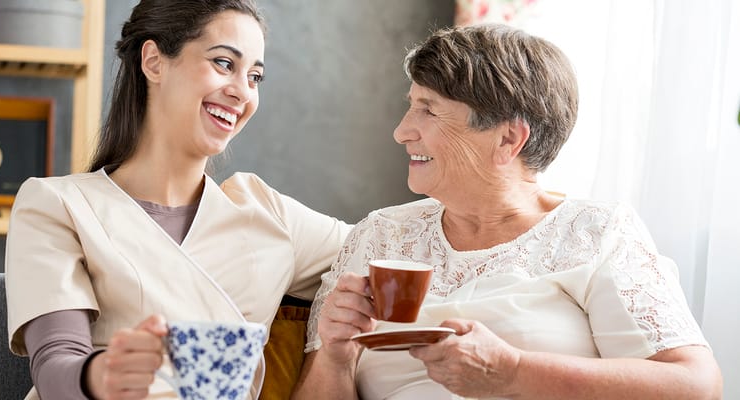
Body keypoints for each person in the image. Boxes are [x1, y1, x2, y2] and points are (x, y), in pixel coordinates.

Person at [292, 24, 723, 400]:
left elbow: (695, 386)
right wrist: (336, 357)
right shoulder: (379, 236)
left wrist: (512, 373)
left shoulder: (597, 232)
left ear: (508, 139)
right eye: (411, 105)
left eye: (428, 110)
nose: (402, 130)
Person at [4, 1, 351, 399]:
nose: (242, 91)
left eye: (255, 76)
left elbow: (394, 249)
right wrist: (105, 374)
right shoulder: (58, 205)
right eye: (224, 63)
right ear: (153, 62)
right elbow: (55, 366)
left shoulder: (271, 216)